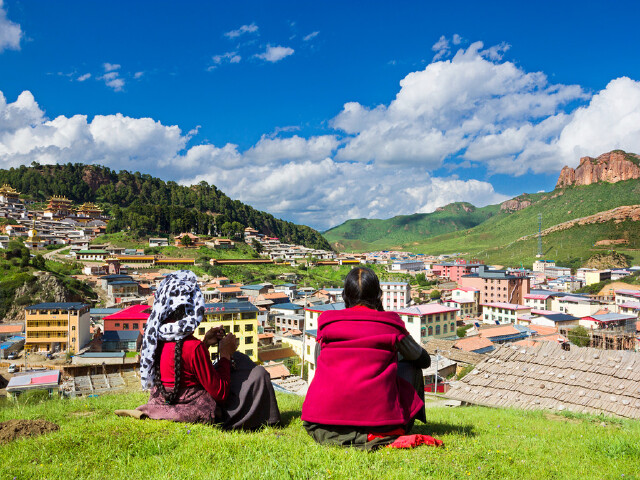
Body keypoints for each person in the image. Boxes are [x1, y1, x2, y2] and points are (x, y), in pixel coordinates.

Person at [118, 270, 280, 429]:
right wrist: (224, 354)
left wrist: (205, 344)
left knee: (239, 359)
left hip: (169, 397)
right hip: (197, 404)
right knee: (259, 374)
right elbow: (221, 395)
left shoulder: (156, 337)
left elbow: (180, 367)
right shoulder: (192, 346)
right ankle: (268, 418)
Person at [301, 267, 433, 449]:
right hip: (383, 425)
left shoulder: (327, 323)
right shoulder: (390, 324)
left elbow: (319, 364)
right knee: (412, 366)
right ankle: (394, 423)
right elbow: (423, 360)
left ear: (344, 296)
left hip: (320, 426)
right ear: (379, 295)